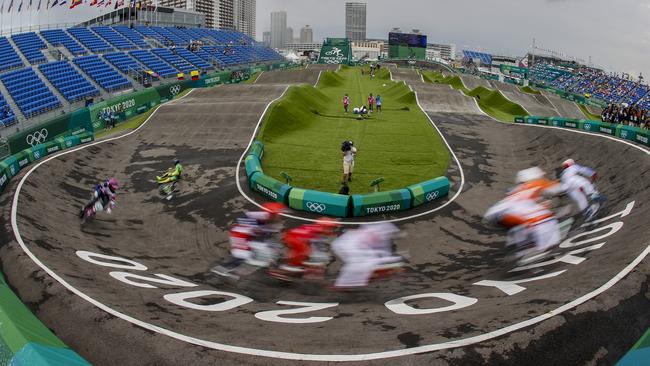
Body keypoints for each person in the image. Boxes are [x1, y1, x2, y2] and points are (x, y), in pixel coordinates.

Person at [483, 167, 563, 266]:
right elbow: (557, 188)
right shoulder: (537, 182)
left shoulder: (515, 190)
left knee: (522, 226)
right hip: (519, 216)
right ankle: (543, 248)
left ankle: (522, 249)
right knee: (545, 220)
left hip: (496, 214)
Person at [211, 202, 287, 277]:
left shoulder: (273, 220)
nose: (278, 216)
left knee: (266, 245)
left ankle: (265, 260)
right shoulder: (258, 219)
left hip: (249, 232)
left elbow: (272, 234)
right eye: (276, 214)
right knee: (244, 254)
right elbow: (252, 231)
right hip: (242, 234)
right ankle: (223, 268)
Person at [331, 223, 405, 288]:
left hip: (350, 244)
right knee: (363, 265)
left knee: (369, 265)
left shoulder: (382, 235)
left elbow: (382, 253)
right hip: (347, 245)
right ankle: (343, 284)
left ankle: (350, 282)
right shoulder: (380, 234)